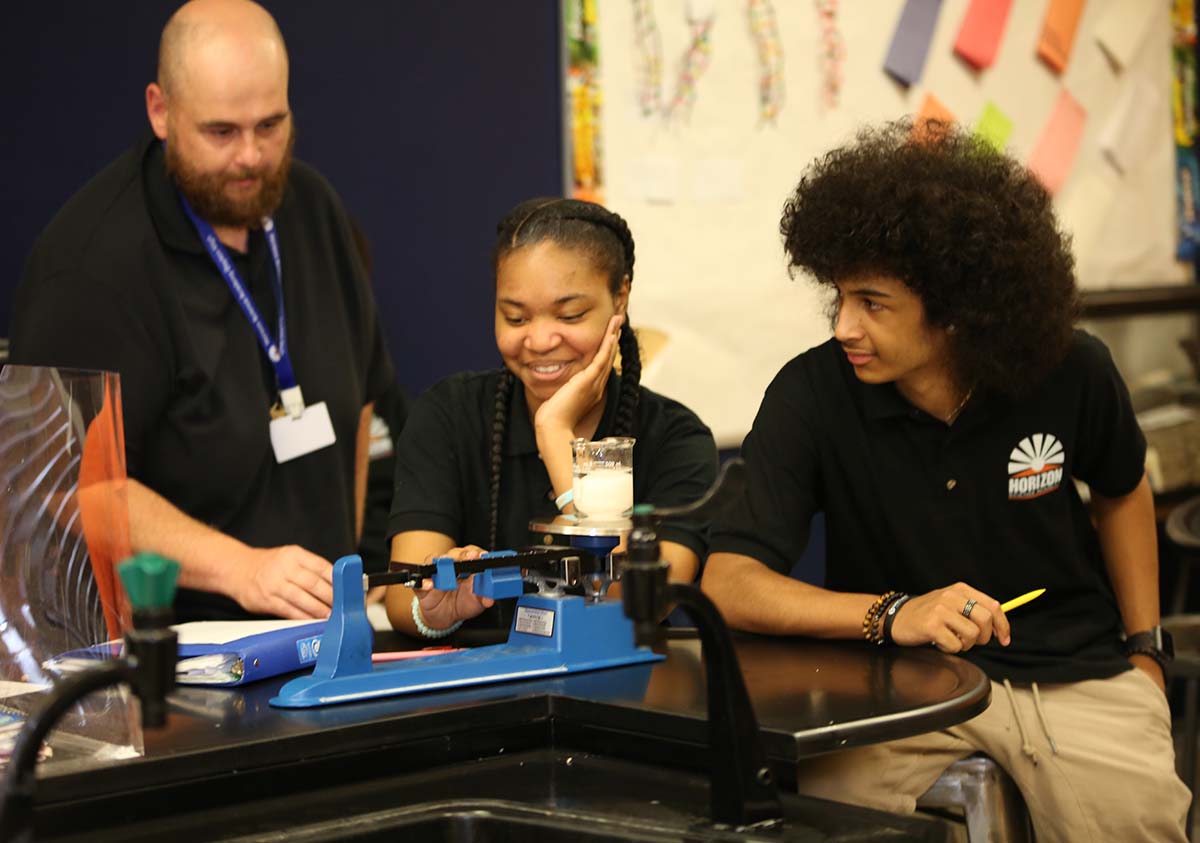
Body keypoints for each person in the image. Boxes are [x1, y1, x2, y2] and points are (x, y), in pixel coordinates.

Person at [703, 121, 1189, 842]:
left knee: (1135, 823)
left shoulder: (1072, 368)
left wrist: (1146, 649)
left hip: (1076, 673)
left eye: (872, 302)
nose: (843, 325)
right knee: (831, 826)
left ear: (958, 307)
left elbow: (1121, 490)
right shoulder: (811, 395)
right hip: (894, 692)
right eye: (837, 297)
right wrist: (892, 613)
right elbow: (727, 579)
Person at [9, 0, 394, 622]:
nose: (249, 157)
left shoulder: (316, 211)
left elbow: (363, 406)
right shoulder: (91, 264)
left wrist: (342, 573)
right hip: (184, 658)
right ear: (161, 111)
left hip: (326, 634)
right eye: (221, 132)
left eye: (270, 126)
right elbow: (70, 483)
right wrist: (241, 569)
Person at [384, 197, 717, 639]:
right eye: (515, 316)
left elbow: (640, 605)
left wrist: (555, 436)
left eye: (569, 314)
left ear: (620, 297)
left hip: (625, 696)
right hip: (490, 693)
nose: (539, 340)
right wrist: (437, 611)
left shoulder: (675, 438)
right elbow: (402, 598)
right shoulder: (449, 414)